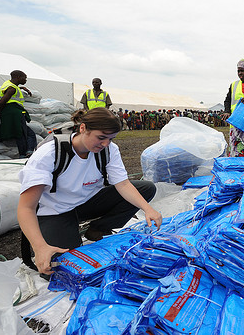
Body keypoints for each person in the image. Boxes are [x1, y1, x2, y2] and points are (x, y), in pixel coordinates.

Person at [17, 108, 161, 275]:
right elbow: (26, 208)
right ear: (83, 128)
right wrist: (40, 246)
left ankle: (97, 229)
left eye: (111, 138)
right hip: (56, 210)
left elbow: (123, 184)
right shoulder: (50, 153)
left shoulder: (108, 150)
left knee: (145, 189)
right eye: (101, 137)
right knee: (63, 270)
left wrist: (148, 209)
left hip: (87, 202)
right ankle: (62, 232)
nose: (106, 144)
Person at [0, 70, 37, 158]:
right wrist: (0, 114)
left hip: (12, 113)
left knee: (25, 133)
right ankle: (25, 154)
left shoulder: (8, 84)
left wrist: (22, 88)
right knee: (22, 134)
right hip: (14, 113)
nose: (26, 80)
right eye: (24, 78)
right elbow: (0, 103)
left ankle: (28, 152)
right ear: (18, 77)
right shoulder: (12, 89)